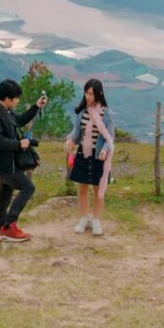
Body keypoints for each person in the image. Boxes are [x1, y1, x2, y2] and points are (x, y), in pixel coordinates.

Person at [0, 78, 48, 242]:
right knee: (28, 188)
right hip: (4, 164)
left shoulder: (6, 111)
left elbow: (19, 120)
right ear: (7, 99)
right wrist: (18, 143)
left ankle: (1, 232)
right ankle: (9, 226)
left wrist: (36, 107)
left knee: (4, 197)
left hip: (9, 163)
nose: (17, 101)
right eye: (16, 98)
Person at [63, 78, 116, 236]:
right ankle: (84, 217)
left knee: (98, 190)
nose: (88, 96)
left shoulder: (107, 114)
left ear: (99, 94)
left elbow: (110, 137)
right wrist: (70, 140)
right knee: (82, 189)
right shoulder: (82, 111)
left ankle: (96, 219)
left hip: (99, 156)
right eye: (86, 93)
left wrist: (106, 150)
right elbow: (76, 132)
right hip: (83, 154)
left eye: (91, 94)